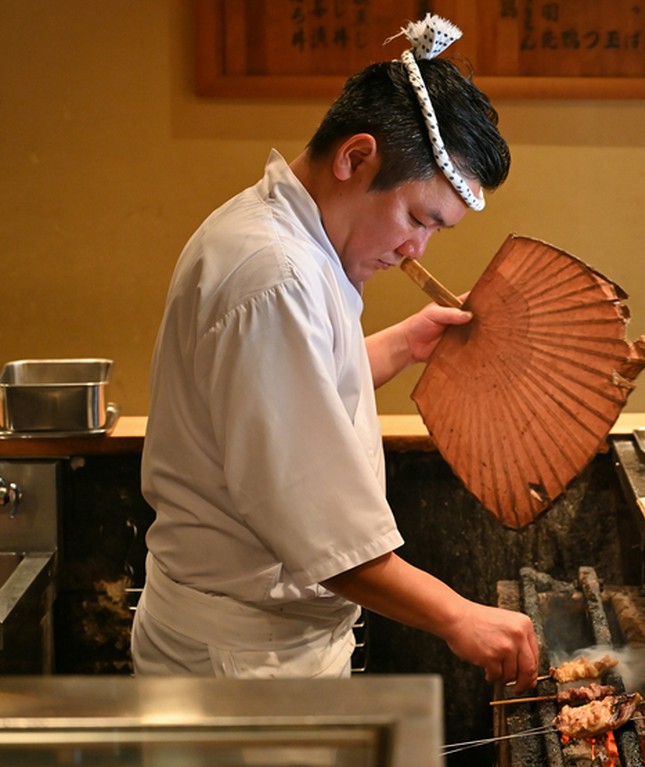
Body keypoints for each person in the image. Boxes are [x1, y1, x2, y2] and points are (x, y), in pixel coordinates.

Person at [130, 15, 539, 692]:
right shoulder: (276, 275)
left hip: (249, 645)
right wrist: (457, 615)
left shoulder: (276, 230)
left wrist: (408, 343)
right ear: (355, 158)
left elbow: (301, 396)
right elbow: (321, 532)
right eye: (417, 218)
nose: (416, 250)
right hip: (244, 662)